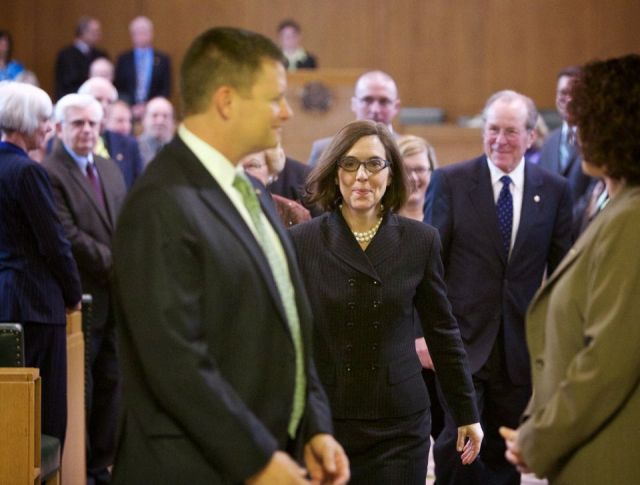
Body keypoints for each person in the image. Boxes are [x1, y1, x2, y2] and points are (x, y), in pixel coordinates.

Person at [110, 26, 349, 484]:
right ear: (226, 101)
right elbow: (174, 360)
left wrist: (314, 426)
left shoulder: (252, 192)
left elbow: (290, 323)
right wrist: (257, 458)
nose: (286, 112)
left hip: (259, 452)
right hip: (192, 467)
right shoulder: (160, 202)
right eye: (275, 98)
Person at [290, 120, 482, 484]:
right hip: (327, 418)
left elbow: (442, 332)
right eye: (350, 164)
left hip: (399, 423)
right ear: (335, 174)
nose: (362, 176)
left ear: (391, 174)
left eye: (374, 164)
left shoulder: (420, 241)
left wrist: (466, 412)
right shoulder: (303, 241)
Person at [501, 53, 640, 484]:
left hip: (607, 459)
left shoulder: (633, 218)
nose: (575, 136)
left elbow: (608, 363)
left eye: (586, 123)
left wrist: (538, 438)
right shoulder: (614, 205)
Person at [425, 90, 573, 485]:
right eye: (493, 129)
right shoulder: (451, 182)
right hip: (461, 344)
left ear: (530, 136)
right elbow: (429, 269)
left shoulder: (554, 191)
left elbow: (563, 274)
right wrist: (423, 333)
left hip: (519, 349)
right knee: (459, 448)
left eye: (511, 131)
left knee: (504, 455)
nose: (500, 140)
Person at [43, 93, 127, 485]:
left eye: (93, 123)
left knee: (114, 381)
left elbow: (124, 225)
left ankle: (102, 466)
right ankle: (84, 469)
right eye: (77, 123)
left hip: (117, 298)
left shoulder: (110, 169)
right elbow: (68, 235)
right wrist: (119, 264)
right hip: (80, 297)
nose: (87, 131)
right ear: (58, 129)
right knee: (84, 387)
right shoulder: (49, 171)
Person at [0, 81, 82, 448]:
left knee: (10, 419)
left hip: (5, 298)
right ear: (25, 121)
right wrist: (74, 294)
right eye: (45, 120)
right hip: (36, 305)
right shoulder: (28, 172)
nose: (49, 128)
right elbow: (55, 243)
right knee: (44, 423)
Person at [396, 134, 445, 440]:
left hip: (442, 346)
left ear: (432, 171)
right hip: (398, 348)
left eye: (421, 169)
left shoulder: (446, 219)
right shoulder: (381, 222)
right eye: (406, 170)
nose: (414, 177)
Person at [308, 70, 400, 166]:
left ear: (396, 106)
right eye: (367, 100)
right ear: (354, 104)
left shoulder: (411, 150)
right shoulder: (324, 150)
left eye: (384, 101)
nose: (375, 109)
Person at [538, 66, 594, 206]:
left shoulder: (595, 140)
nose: (569, 99)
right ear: (556, 97)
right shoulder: (549, 142)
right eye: (563, 93)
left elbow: (594, 193)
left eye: (575, 94)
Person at [77, 77, 143, 189]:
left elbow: (139, 188)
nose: (104, 106)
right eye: (98, 99)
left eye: (110, 101)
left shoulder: (129, 144)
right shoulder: (70, 142)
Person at [114, 16, 171, 120]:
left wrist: (148, 107)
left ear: (151, 34)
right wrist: (131, 107)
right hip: (128, 110)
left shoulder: (162, 59)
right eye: (137, 33)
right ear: (132, 35)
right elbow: (119, 87)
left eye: (144, 32)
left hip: (155, 112)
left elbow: (165, 89)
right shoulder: (123, 59)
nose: (141, 36)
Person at [241, 148, 311, 227]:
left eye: (251, 165)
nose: (241, 172)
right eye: (236, 166)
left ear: (272, 171)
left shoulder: (291, 212)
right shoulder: (226, 208)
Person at [55, 16, 108, 100]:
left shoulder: (101, 55)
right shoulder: (66, 55)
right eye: (94, 31)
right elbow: (66, 83)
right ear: (82, 32)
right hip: (73, 100)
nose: (99, 34)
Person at [136, 96, 175, 166]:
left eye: (165, 116)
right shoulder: (134, 149)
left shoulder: (181, 152)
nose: (160, 121)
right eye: (155, 115)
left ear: (173, 122)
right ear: (144, 119)